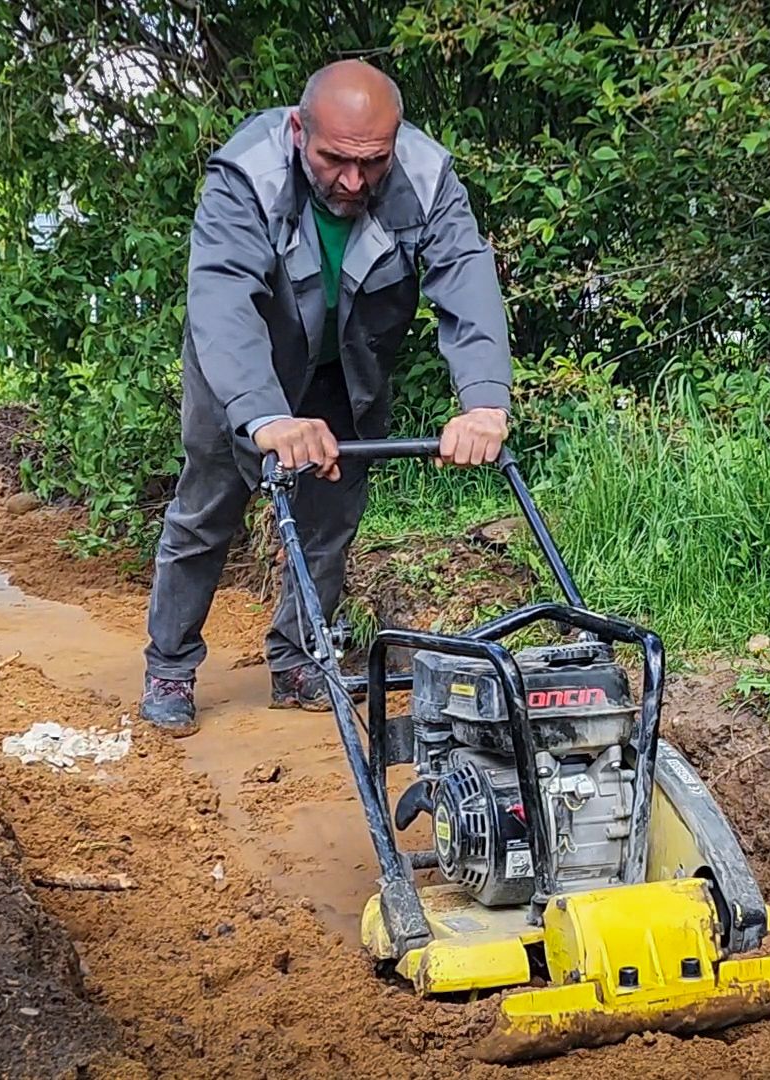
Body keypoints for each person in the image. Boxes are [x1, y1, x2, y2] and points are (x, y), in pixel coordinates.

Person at [140, 60, 512, 737]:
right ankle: (170, 664)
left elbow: (464, 272)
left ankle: (299, 659)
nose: (354, 180)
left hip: (348, 363)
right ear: (297, 130)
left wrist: (485, 399)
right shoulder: (248, 173)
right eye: (334, 159)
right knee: (207, 511)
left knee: (331, 518)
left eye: (372, 163)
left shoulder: (426, 175)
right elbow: (222, 298)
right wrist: (264, 415)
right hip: (245, 362)